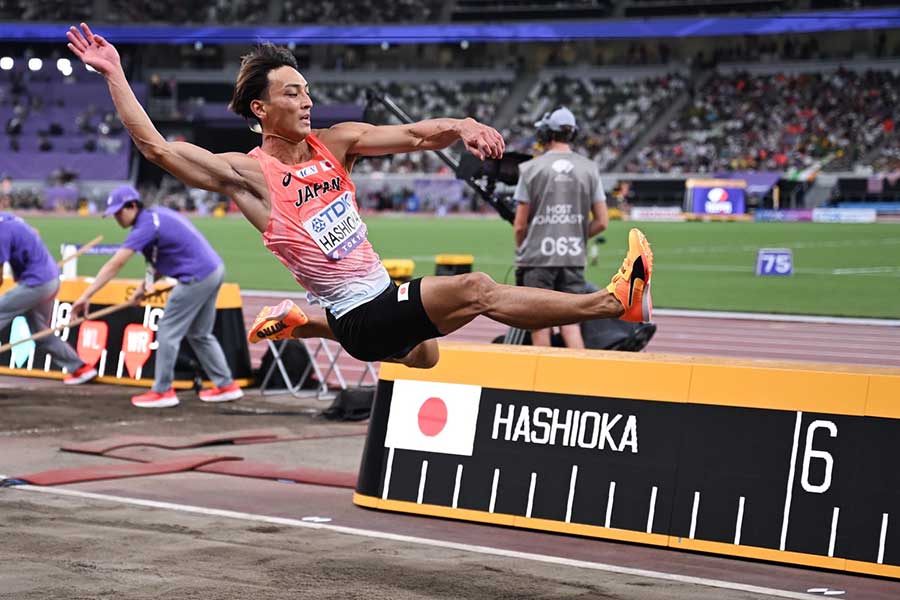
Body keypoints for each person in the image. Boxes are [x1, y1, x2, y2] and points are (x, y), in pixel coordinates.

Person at [66, 23, 652, 371]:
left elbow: (417, 135)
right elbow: (157, 148)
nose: (306, 101)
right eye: (291, 94)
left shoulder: (337, 144)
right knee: (476, 289)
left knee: (427, 357)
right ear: (261, 109)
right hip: (361, 313)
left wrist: (463, 124)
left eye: (307, 91)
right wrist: (114, 72)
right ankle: (610, 303)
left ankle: (305, 323)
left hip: (377, 302)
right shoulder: (250, 176)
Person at [70, 185, 243, 409]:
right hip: (213, 271)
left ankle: (163, 391)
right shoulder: (156, 217)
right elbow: (158, 263)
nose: (117, 218)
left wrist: (85, 296)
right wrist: (143, 289)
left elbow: (116, 263)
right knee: (200, 333)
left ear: (133, 206)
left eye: (119, 212)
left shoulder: (145, 226)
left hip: (195, 277)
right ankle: (227, 385)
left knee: (167, 330)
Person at [512, 107, 608, 349]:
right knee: (571, 323)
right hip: (572, 257)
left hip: (537, 258)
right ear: (572, 134)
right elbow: (602, 221)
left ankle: (543, 374)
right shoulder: (589, 168)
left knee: (539, 325)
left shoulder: (530, 169)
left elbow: (520, 225)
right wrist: (575, 235)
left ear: (546, 133)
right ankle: (579, 372)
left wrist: (523, 248)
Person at [0, 213, 97, 384]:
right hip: (50, 279)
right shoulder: (7, 218)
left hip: (36, 285)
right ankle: (81, 368)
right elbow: (34, 232)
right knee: (41, 333)